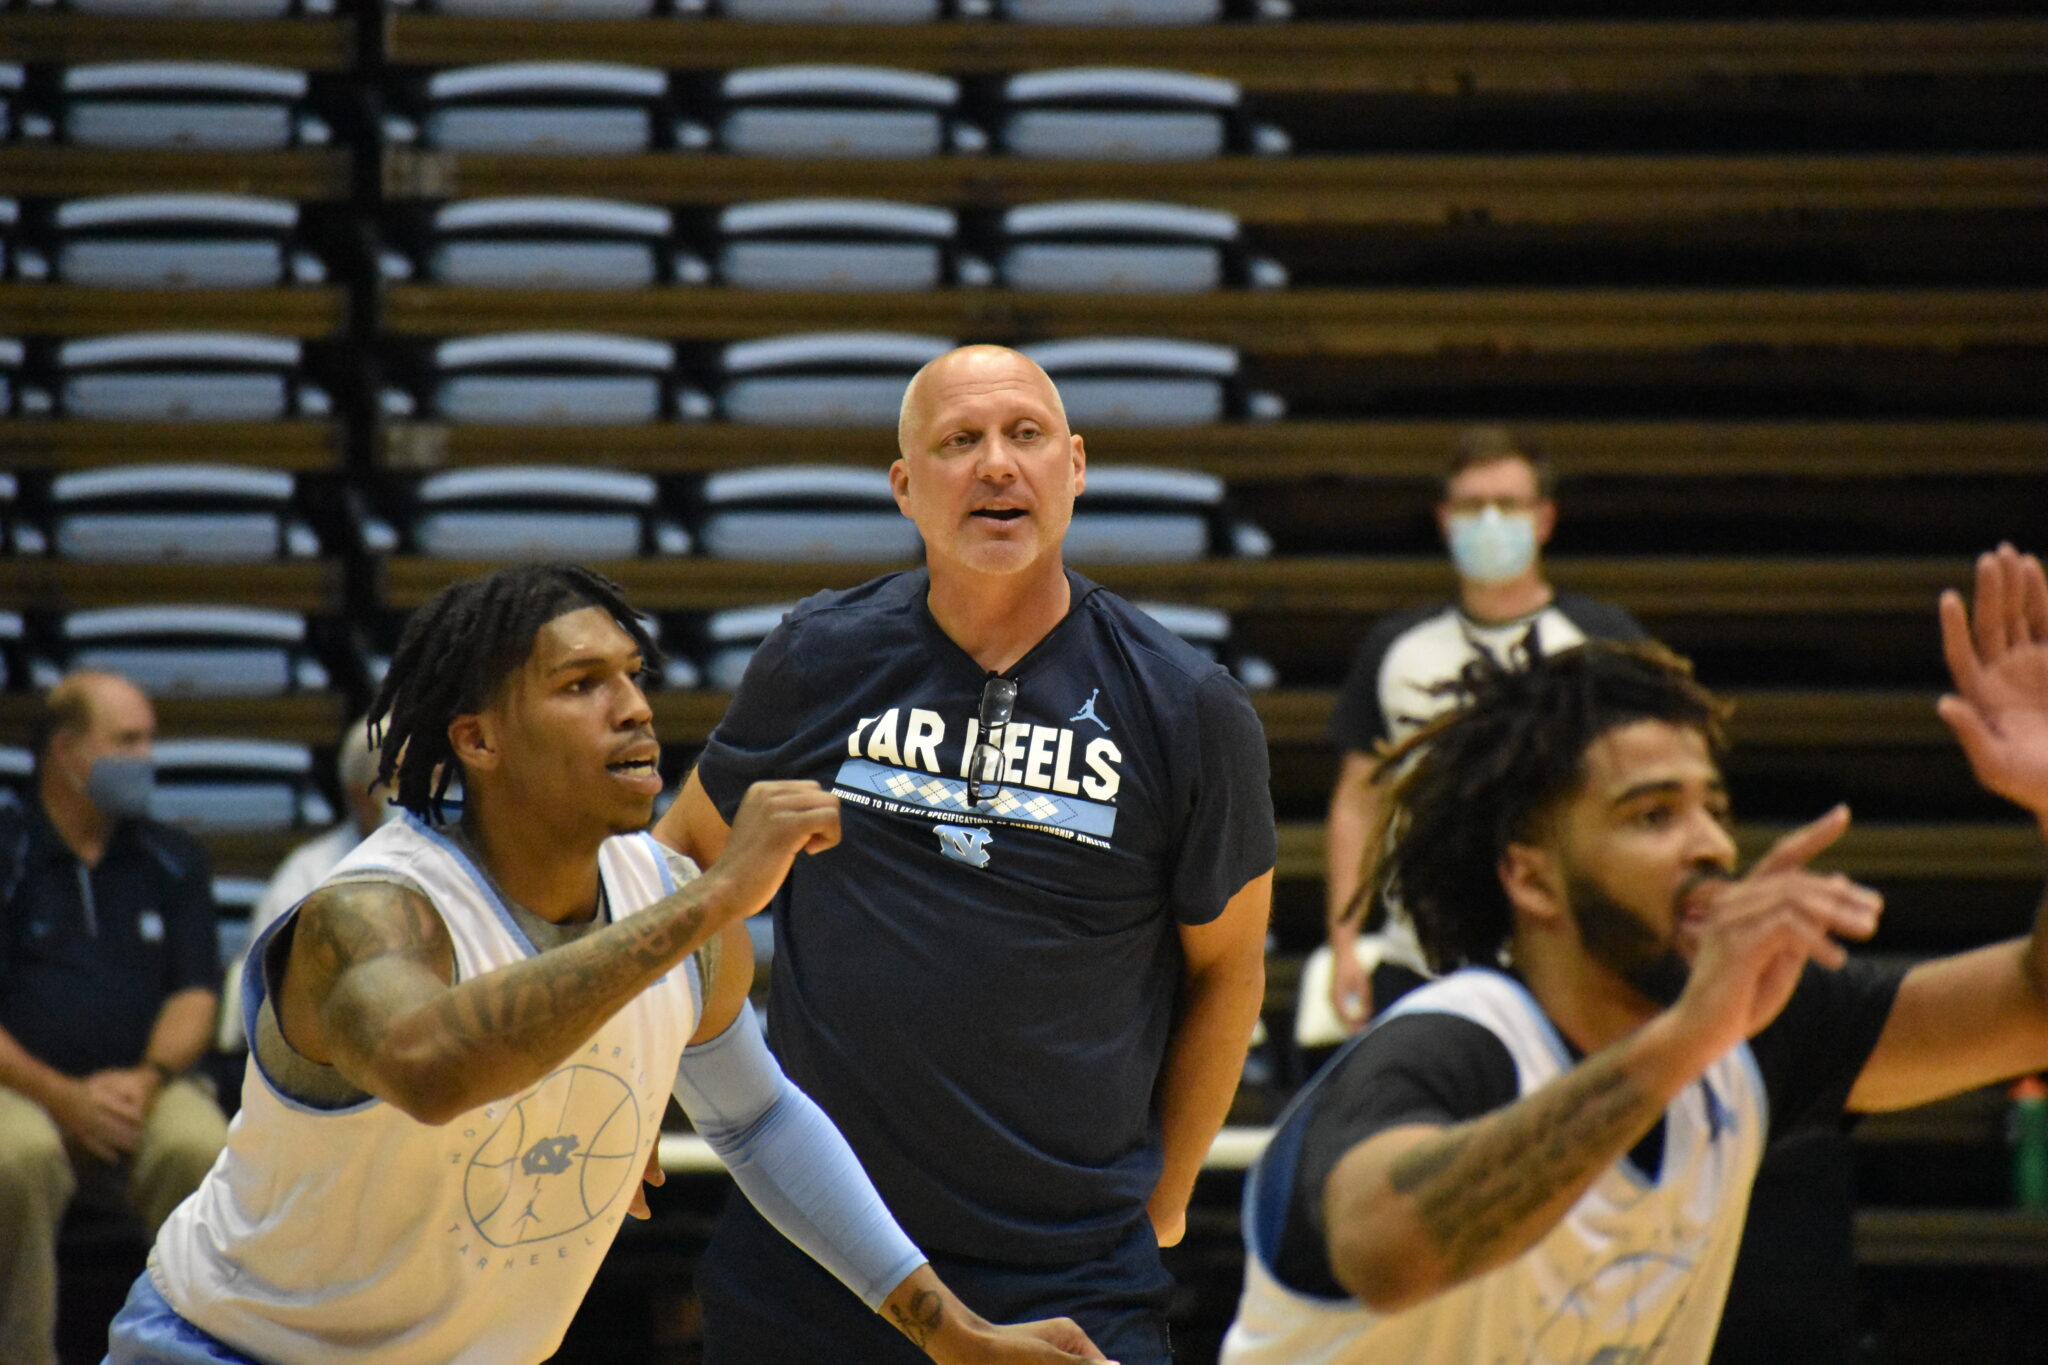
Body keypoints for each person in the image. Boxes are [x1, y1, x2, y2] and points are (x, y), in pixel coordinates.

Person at [104, 563, 1109, 1365]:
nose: (632, 707)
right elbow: (430, 1070)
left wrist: (946, 1331)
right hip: (229, 1348)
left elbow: (757, 1120)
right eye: (582, 686)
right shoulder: (367, 914)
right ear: (479, 740)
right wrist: (713, 899)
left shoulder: (661, 895)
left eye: (633, 676)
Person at [1223, 543, 2048, 1364]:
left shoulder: (1740, 1032)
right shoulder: (1453, 1042)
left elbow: (2029, 1008)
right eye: (1654, 815)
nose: (1711, 844)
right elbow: (1384, 1251)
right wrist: (1686, 1039)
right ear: (1531, 876)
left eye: (1713, 809)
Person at [657, 344, 1278, 1365]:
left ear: (1073, 468)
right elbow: (681, 865)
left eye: (1024, 436)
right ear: (905, 488)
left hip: (1072, 1268)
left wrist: (1162, 1203)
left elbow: (1227, 969)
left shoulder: (1186, 706)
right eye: (959, 442)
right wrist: (634, 1086)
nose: (997, 464)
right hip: (814, 1256)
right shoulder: (820, 657)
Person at [1314, 426, 1647, 1049]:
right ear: (1445, 520)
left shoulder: (1602, 644)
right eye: (1471, 506)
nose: (1489, 520)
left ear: (1544, 519)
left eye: (1509, 504)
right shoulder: (1397, 648)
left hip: (1570, 957)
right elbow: (1358, 803)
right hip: (1418, 961)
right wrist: (1345, 941)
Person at [0, 672, 228, 1365]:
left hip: (146, 1089)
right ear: (66, 751)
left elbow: (195, 995)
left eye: (150, 739)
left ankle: (197, 1353)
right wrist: (61, 1095)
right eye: (128, 740)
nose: (147, 757)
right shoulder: (8, 855)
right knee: (15, 1158)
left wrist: (149, 1078)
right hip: (21, 1089)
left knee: (204, 1148)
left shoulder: (172, 855)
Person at [219, 714, 390, 1053]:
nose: (428, 795)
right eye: (405, 782)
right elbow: (274, 996)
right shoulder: (309, 873)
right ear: (359, 797)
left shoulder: (460, 864)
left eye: (435, 780)